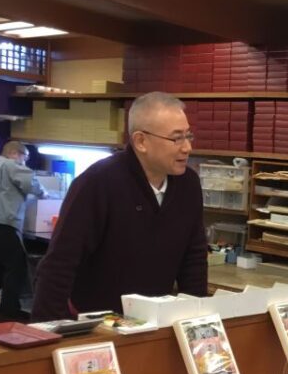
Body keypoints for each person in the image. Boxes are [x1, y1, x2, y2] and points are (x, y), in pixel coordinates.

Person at [32, 92, 207, 320]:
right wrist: (49, 332)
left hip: (154, 321)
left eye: (188, 136)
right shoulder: (98, 182)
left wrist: (197, 319)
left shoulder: (188, 185)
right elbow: (59, 265)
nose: (187, 147)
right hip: (97, 323)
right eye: (177, 139)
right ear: (141, 141)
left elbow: (194, 260)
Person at [0, 141, 47, 321]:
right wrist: (46, 194)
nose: (24, 162)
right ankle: (9, 313)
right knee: (16, 269)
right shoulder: (11, 164)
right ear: (15, 153)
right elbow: (31, 183)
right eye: (25, 158)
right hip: (6, 227)